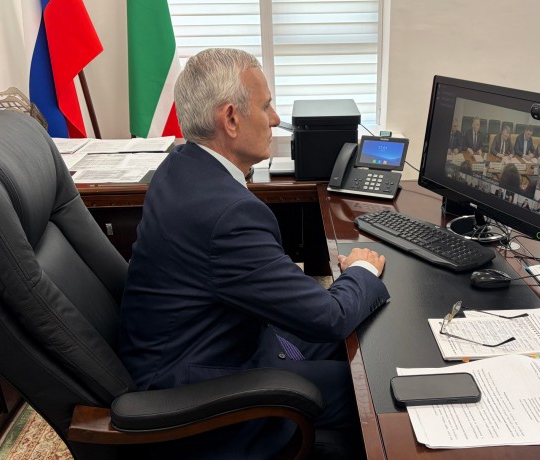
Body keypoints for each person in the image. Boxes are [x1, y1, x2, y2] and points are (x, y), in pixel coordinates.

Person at [118, 48, 390, 458]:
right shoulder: (226, 214)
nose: (276, 119)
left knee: (362, 344)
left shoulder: (179, 165)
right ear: (230, 119)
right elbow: (329, 318)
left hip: (205, 342)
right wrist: (362, 270)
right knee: (376, 388)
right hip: (199, 393)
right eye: (265, 107)